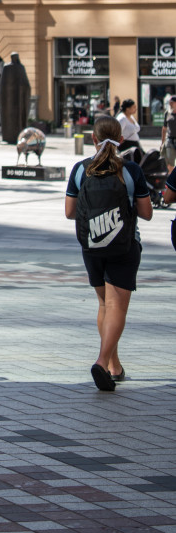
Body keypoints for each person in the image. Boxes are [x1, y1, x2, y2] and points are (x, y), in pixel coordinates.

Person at [67, 115, 152, 391]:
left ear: (92, 139)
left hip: (92, 246)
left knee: (105, 304)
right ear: (122, 139)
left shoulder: (80, 170)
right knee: (116, 306)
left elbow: (69, 213)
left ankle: (114, 366)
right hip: (124, 245)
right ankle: (102, 362)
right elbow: (147, 214)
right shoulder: (131, 171)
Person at [164, 95, 176, 172]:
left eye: (172, 103)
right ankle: (170, 181)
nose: (170, 104)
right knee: (170, 163)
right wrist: (162, 142)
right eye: (169, 103)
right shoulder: (167, 113)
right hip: (170, 140)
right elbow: (164, 128)